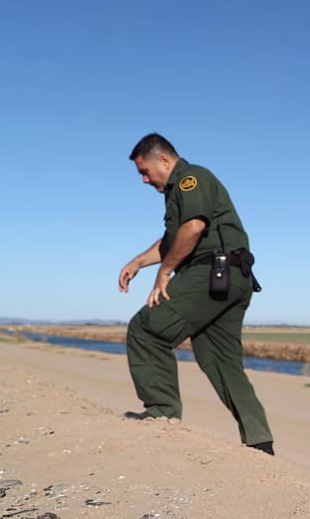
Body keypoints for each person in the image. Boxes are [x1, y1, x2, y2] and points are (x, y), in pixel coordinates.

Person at [118, 133, 275, 456]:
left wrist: (164, 273)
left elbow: (192, 229)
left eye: (144, 172)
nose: (144, 180)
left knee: (146, 329)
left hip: (211, 273)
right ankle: (260, 443)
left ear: (164, 160)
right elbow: (170, 241)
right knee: (218, 357)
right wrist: (138, 262)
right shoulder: (177, 192)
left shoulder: (191, 179)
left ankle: (162, 412)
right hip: (232, 277)